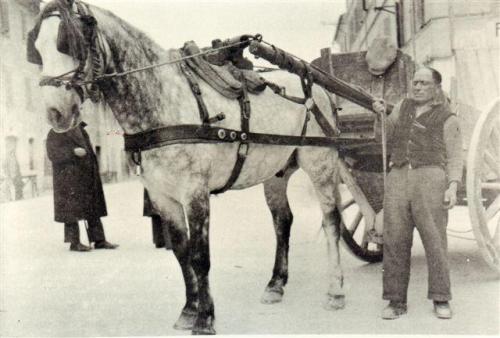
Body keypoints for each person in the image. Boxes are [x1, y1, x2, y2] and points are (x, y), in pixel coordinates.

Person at [372, 67, 462, 320]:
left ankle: (441, 299)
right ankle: (395, 301)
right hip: (399, 177)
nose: (418, 87)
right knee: (395, 241)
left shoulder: (448, 118)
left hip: (431, 179)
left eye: (424, 83)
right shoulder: (402, 107)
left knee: (435, 241)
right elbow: (384, 136)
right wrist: (380, 115)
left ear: (436, 88)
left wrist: (453, 186)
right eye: (415, 82)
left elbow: (456, 156)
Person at [46, 121, 119, 252]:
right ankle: (74, 243)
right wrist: (72, 152)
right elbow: (53, 154)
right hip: (69, 179)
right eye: (76, 110)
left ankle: (99, 240)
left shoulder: (81, 129)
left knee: (93, 207)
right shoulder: (56, 131)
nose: (79, 113)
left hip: (87, 175)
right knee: (71, 211)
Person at [3, 136, 24, 200]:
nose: (15, 145)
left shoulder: (14, 154)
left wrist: (18, 173)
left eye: (15, 143)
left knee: (19, 185)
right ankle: (14, 198)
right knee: (12, 189)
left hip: (17, 175)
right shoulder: (8, 155)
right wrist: (8, 175)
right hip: (12, 176)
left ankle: (19, 197)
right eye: (14, 143)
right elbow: (5, 166)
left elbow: (16, 165)